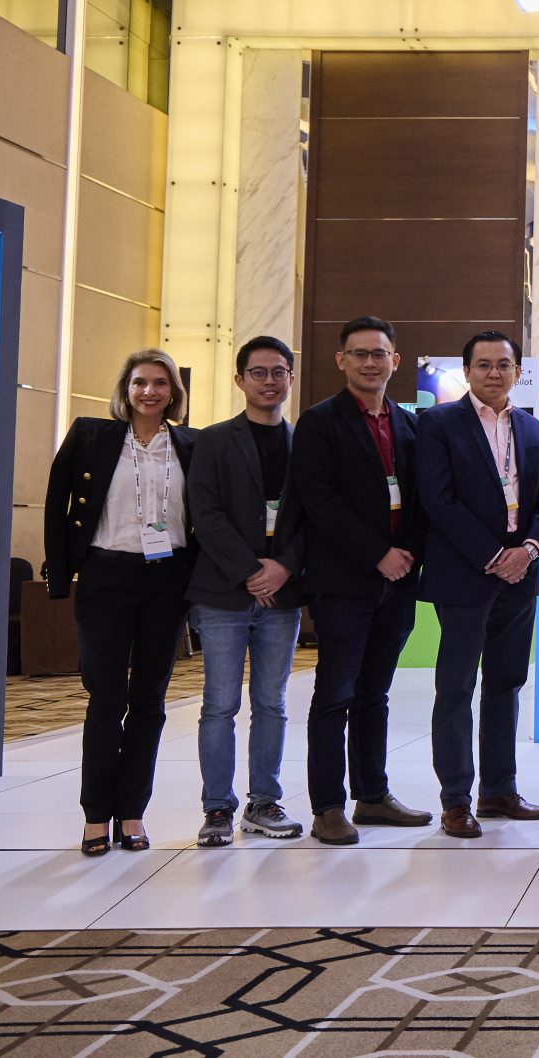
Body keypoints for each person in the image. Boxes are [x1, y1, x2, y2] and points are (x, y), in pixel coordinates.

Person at [45, 350, 199, 855]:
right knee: (106, 697)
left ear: (173, 393)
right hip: (106, 574)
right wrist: (59, 576)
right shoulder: (91, 435)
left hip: (168, 578)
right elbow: (56, 502)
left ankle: (132, 812)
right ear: (125, 389)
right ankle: (95, 814)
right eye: (139, 382)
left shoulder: (192, 444)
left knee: (150, 699)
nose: (149, 392)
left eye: (160, 383)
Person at [290, 316, 432, 845]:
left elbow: (421, 501)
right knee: (335, 694)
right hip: (343, 582)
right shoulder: (319, 423)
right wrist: (378, 555)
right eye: (359, 353)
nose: (370, 362)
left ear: (396, 360)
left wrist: (406, 556)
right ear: (341, 360)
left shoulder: (410, 426)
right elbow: (319, 501)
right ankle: (327, 806)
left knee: (375, 693)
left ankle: (372, 795)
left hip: (399, 582)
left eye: (379, 353)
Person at [417, 331, 539, 838]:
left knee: (506, 683)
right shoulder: (438, 424)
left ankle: (498, 790)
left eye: (503, 364)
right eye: (483, 364)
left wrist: (528, 550)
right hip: (464, 574)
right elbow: (438, 499)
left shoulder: (531, 427)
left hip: (520, 576)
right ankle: (455, 799)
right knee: (456, 688)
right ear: (467, 371)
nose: (494, 373)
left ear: (517, 371)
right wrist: (494, 556)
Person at [186, 336, 306, 847]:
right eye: (258, 372)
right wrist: (250, 571)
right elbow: (204, 513)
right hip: (223, 593)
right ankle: (217, 808)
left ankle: (263, 803)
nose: (269, 381)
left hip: (283, 594)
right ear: (240, 379)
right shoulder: (214, 440)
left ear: (290, 378)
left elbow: (313, 515)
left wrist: (283, 567)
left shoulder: (304, 442)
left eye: (279, 372)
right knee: (219, 704)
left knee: (272, 703)